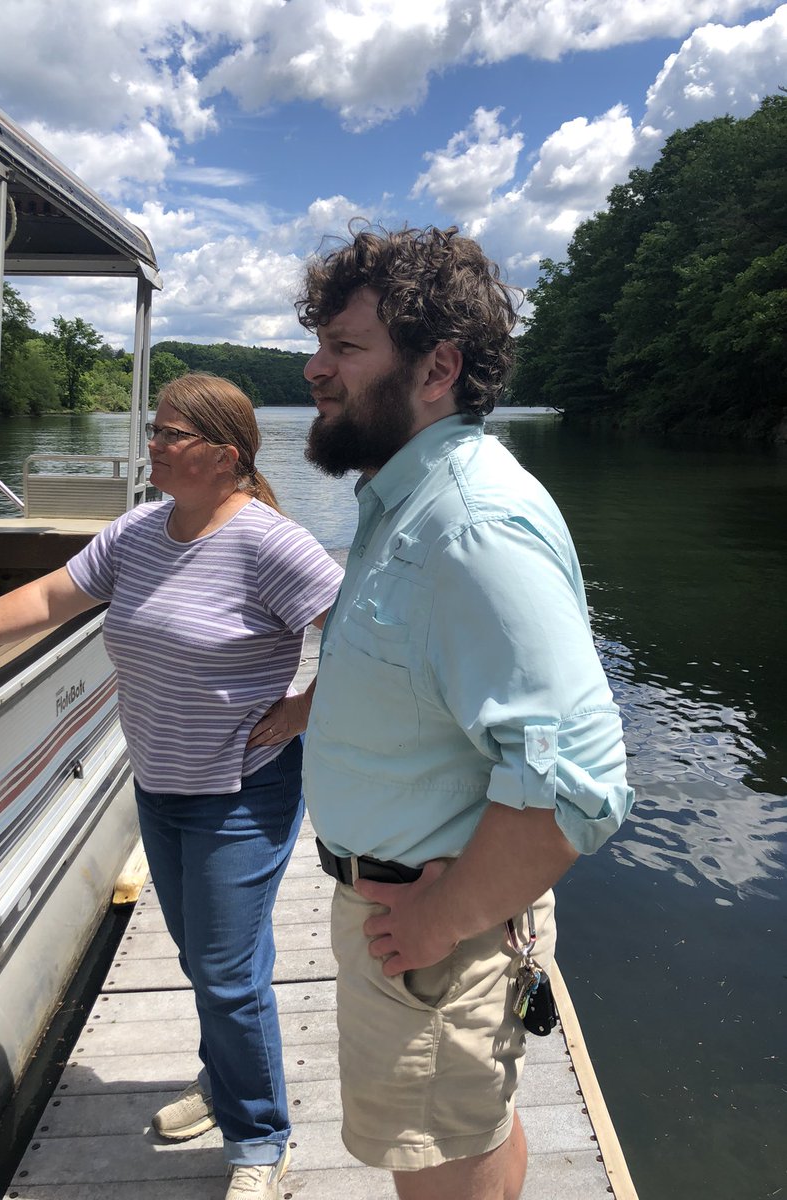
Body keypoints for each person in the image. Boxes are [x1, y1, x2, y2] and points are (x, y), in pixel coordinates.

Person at [0, 373, 343, 1200]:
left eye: (170, 434)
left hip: (242, 790)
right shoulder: (139, 531)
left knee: (226, 969)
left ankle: (259, 1140)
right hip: (161, 780)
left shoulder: (269, 543)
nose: (152, 446)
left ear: (223, 456)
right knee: (211, 958)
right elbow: (51, 596)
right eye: (155, 430)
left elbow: (356, 629)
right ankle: (224, 1078)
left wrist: (307, 706)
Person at [295, 226, 634, 1200]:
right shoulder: (407, 500)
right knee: (475, 1136)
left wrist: (446, 916)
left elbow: (577, 779)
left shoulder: (469, 525)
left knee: (444, 1165)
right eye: (319, 344)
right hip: (416, 914)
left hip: (432, 930)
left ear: (437, 367)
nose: (317, 370)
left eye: (346, 348)